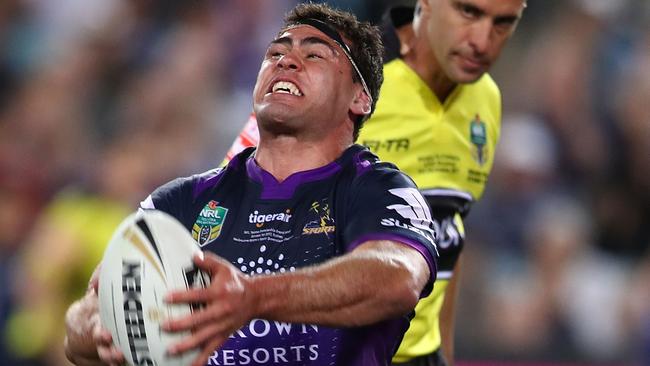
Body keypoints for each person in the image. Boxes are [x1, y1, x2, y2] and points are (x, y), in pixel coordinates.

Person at [63, 3, 439, 366]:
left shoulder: (379, 189)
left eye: (315, 56)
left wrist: (252, 298)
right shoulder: (181, 202)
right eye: (275, 53)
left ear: (360, 98)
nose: (285, 61)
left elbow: (398, 277)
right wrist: (101, 329)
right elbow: (83, 320)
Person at [223, 1, 527, 365]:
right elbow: (230, 203)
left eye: (503, 23)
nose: (482, 41)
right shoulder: (341, 78)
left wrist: (443, 353)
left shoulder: (485, 99)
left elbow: (448, 237)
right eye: (469, 13)